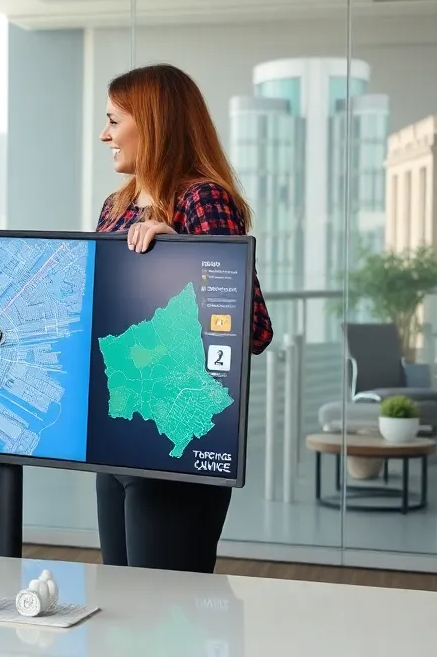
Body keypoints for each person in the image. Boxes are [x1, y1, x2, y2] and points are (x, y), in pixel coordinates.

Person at [95, 63, 274, 573]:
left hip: (179, 440)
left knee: (166, 608)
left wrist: (186, 259)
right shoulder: (116, 206)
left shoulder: (203, 199)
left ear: (152, 126)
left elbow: (254, 330)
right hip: (121, 435)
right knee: (121, 600)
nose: (104, 134)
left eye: (114, 120)